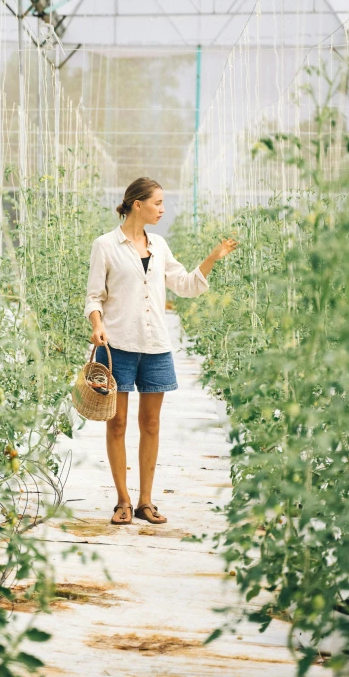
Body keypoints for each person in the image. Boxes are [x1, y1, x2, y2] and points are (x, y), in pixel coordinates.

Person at [84, 177, 238, 526]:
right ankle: (122, 500)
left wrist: (213, 257)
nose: (163, 209)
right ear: (137, 204)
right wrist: (97, 324)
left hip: (155, 347)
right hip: (118, 346)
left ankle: (145, 502)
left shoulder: (160, 246)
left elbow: (185, 285)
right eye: (158, 203)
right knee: (118, 422)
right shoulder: (105, 246)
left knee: (151, 423)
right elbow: (94, 296)